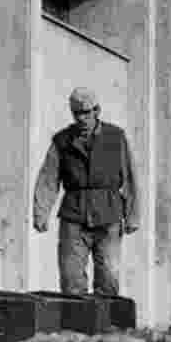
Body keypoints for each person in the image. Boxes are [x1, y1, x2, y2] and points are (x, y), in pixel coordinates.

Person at [32, 88, 139, 301]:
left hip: (108, 216)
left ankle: (106, 330)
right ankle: (76, 331)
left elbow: (129, 177)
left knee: (108, 279)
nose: (82, 118)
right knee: (71, 281)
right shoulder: (61, 140)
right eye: (76, 113)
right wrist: (41, 212)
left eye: (87, 112)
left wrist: (133, 215)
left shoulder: (116, 137)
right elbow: (48, 178)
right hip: (74, 217)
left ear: (97, 111)